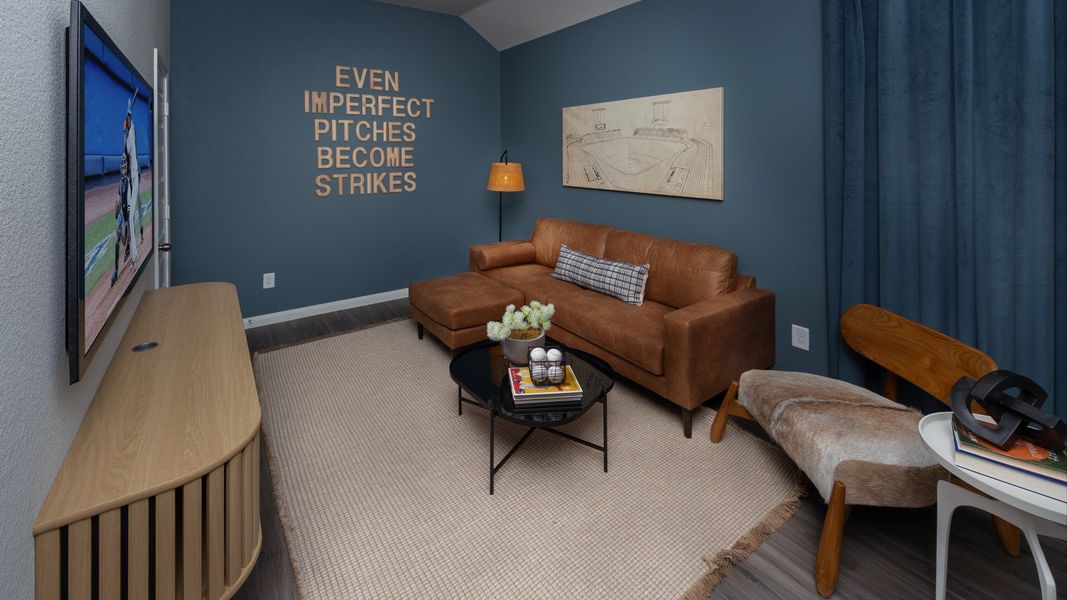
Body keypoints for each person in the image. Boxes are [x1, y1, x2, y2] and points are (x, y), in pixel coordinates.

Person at [110, 90, 141, 286]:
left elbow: (128, 126)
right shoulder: (125, 142)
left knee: (130, 219)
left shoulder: (130, 141)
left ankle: (134, 256)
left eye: (125, 125)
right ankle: (122, 257)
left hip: (133, 182)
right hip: (127, 185)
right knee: (120, 228)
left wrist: (128, 113)